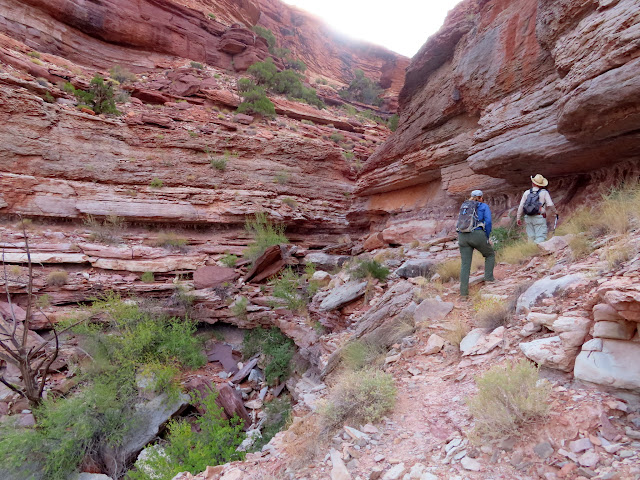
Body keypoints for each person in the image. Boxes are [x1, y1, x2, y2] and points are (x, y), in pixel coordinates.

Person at [456, 189, 495, 297]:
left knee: (465, 264)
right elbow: (488, 222)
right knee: (490, 254)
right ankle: (489, 279)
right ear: (481, 197)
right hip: (477, 234)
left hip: (462, 236)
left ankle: (463, 295)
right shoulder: (483, 206)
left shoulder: (464, 206)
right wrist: (486, 236)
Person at [516, 174, 557, 244]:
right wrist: (555, 212)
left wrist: (518, 218)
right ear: (541, 185)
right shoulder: (544, 193)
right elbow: (550, 204)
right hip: (539, 216)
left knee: (531, 236)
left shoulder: (526, 192)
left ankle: (530, 251)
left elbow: (521, 206)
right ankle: (537, 252)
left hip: (528, 217)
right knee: (541, 236)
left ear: (533, 183)